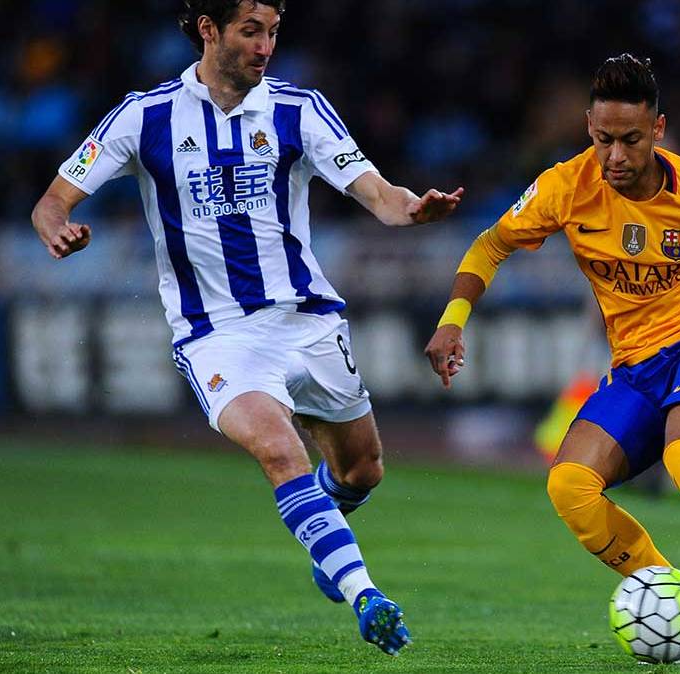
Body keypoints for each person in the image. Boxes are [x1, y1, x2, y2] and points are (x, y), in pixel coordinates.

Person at [31, 0, 463, 656]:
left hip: (307, 319)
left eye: (273, 33)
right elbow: (52, 200)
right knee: (280, 449)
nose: (265, 46)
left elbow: (379, 195)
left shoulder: (299, 109)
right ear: (209, 29)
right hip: (217, 334)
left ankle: (325, 538)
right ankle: (365, 594)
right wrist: (57, 229)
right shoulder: (145, 116)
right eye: (250, 31)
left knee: (362, 470)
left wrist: (414, 209)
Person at [424, 54, 680, 669]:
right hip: (635, 364)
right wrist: (452, 319)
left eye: (630, 140)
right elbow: (491, 245)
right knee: (569, 486)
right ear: (589, 129)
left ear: (658, 129)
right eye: (603, 139)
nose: (615, 156)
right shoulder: (565, 187)